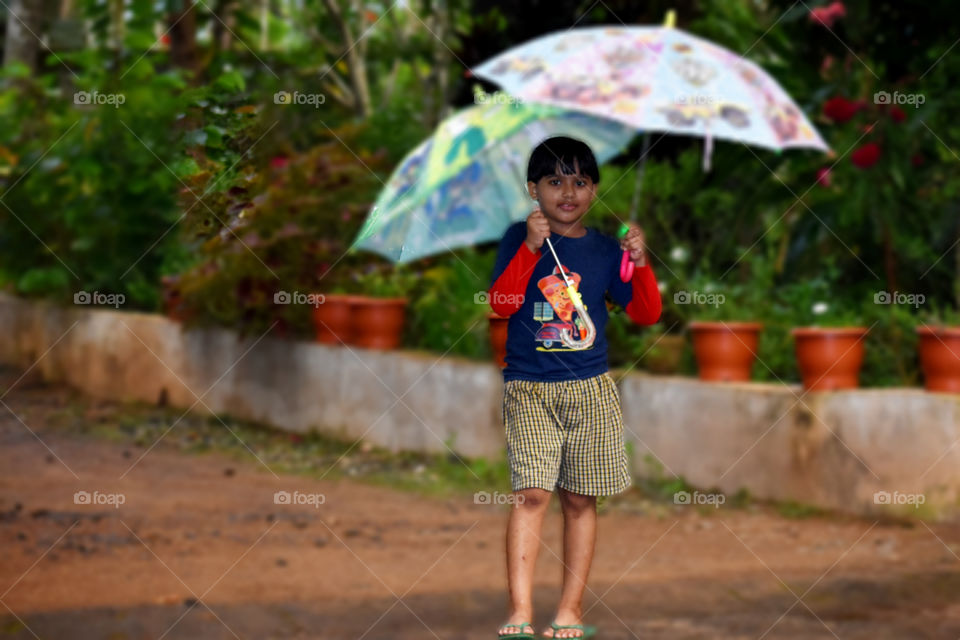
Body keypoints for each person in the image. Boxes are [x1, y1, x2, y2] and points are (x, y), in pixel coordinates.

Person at [488, 136, 662, 639]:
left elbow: (646, 313)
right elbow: (500, 303)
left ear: (595, 190)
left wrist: (641, 262)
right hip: (529, 388)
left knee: (581, 500)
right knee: (532, 494)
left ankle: (570, 610)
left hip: (590, 389)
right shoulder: (515, 238)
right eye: (555, 181)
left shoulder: (607, 250)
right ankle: (520, 611)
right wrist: (528, 249)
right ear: (533, 190)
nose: (568, 192)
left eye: (580, 182)